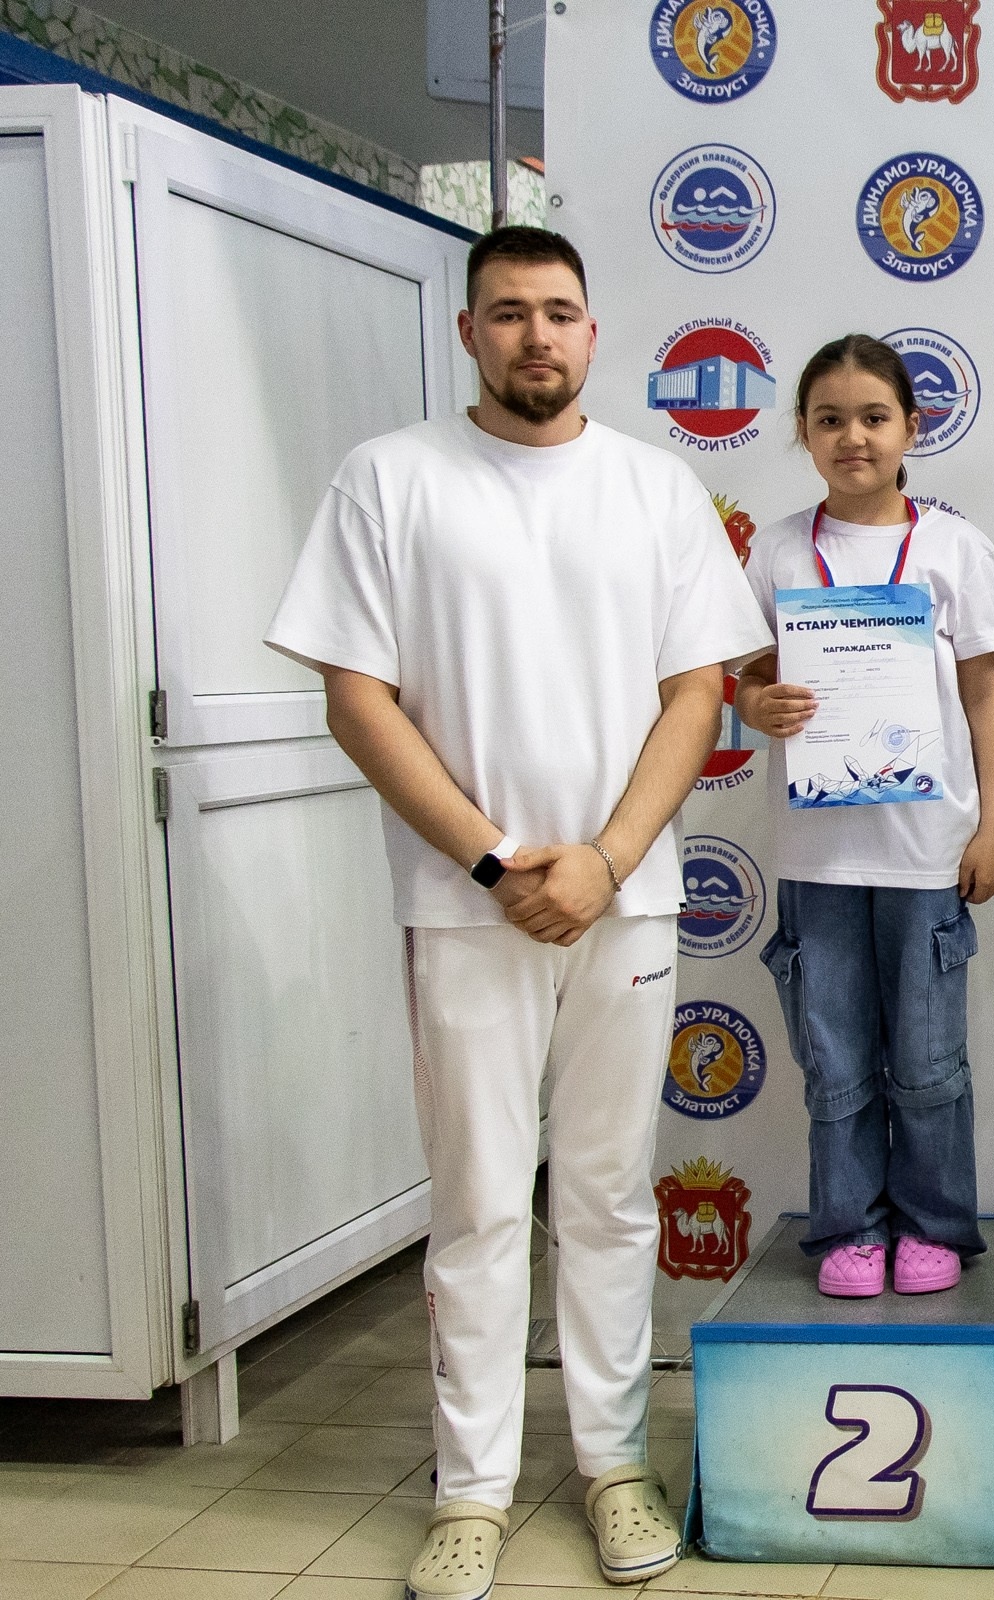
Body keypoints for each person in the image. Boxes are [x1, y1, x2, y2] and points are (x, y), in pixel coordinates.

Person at [265, 226, 772, 1600]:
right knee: (483, 1201)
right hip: (464, 906)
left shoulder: (656, 487)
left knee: (606, 1197)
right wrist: (498, 864)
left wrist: (606, 859)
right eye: (507, 313)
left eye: (558, 311)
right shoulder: (390, 478)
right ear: (468, 332)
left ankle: (613, 1464)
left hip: (625, 901)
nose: (535, 335)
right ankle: (472, 1489)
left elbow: (697, 693)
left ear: (592, 332)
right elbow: (356, 698)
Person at [734, 334, 994, 1298]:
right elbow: (747, 680)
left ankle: (935, 1224)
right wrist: (755, 706)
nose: (852, 437)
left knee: (929, 1063)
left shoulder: (954, 548)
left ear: (911, 428)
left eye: (873, 417)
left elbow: (985, 693)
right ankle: (849, 1227)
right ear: (802, 432)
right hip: (817, 857)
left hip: (927, 851)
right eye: (829, 419)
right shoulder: (776, 549)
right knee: (836, 1059)